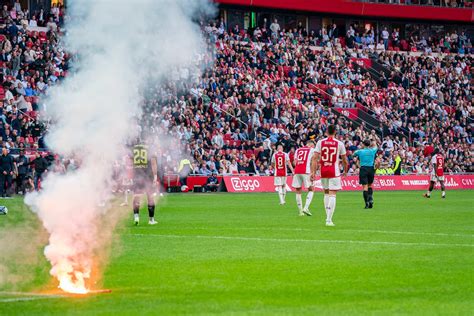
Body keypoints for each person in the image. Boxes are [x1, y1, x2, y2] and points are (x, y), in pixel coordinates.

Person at [311, 125, 348, 226]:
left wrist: (313, 172)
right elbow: (344, 160)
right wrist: (345, 170)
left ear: (326, 132)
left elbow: (314, 158)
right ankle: (328, 220)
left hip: (323, 170)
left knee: (326, 193)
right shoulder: (339, 143)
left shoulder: (320, 142)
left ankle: (327, 216)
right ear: (335, 132)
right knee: (333, 194)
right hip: (334, 171)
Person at [131, 141, 158, 225]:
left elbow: (130, 164)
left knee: (136, 197)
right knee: (150, 197)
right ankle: (151, 220)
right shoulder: (150, 149)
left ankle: (136, 217)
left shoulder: (134, 150)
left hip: (137, 175)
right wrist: (155, 176)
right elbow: (153, 163)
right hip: (147, 176)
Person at [292, 140, 315, 216]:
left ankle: (300, 212)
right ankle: (306, 208)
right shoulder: (311, 150)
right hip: (306, 171)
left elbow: (294, 162)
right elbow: (314, 161)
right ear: (311, 145)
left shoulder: (298, 150)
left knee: (298, 190)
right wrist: (313, 172)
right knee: (311, 189)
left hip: (297, 171)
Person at [353, 139, 378, 209]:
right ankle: (370, 199)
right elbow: (376, 145)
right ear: (369, 144)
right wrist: (373, 141)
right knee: (370, 185)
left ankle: (367, 203)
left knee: (365, 187)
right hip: (371, 169)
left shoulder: (360, 151)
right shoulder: (373, 150)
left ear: (363, 144)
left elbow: (353, 154)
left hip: (363, 169)